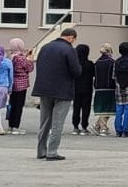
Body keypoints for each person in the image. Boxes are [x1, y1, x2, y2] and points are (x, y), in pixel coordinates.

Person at [32, 28, 82, 160]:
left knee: (45, 121)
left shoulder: (45, 47)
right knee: (57, 122)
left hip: (44, 89)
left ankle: (41, 151)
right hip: (62, 90)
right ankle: (52, 152)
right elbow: (76, 71)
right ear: (71, 37)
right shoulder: (69, 49)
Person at [6, 38, 34, 135]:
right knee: (18, 106)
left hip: (12, 84)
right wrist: (30, 58)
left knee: (12, 105)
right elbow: (29, 68)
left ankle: (10, 126)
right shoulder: (21, 58)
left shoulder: (10, 56)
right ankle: (15, 127)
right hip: (21, 85)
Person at [92, 43, 117, 136]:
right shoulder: (112, 62)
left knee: (102, 108)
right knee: (108, 108)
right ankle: (103, 127)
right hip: (109, 87)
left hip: (98, 87)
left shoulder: (97, 62)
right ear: (110, 50)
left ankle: (97, 125)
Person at [113, 42, 128, 138]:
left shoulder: (116, 62)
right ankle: (125, 130)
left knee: (119, 110)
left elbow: (113, 76)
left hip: (118, 89)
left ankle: (118, 130)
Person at [71, 44, 95, 136]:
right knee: (86, 108)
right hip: (87, 89)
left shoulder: (74, 64)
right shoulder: (90, 64)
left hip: (76, 88)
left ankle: (75, 126)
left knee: (76, 107)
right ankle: (84, 127)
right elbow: (93, 75)